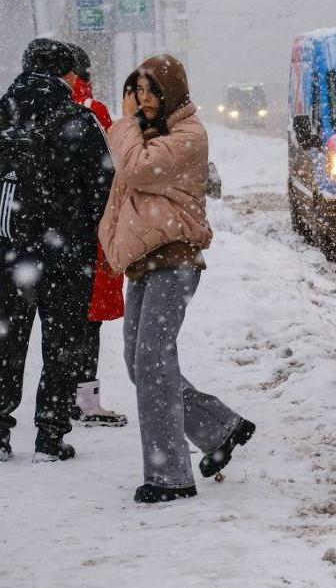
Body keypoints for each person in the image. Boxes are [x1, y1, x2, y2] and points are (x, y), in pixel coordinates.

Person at [99, 54, 255, 503]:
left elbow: (133, 169)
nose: (144, 99)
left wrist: (125, 123)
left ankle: (170, 477)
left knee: (152, 359)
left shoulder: (188, 136)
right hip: (145, 261)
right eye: (138, 90)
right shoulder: (149, 136)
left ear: (171, 92)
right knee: (139, 361)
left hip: (175, 261)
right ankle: (218, 427)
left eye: (151, 91)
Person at [0, 38, 114, 463]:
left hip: (7, 252)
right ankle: (50, 436)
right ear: (65, 74)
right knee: (62, 342)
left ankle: (0, 432)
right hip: (65, 255)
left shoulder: (1, 112)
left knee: (6, 342)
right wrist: (78, 227)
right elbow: (105, 187)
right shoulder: (78, 120)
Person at [64, 43, 127, 427]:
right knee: (86, 321)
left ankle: (63, 397)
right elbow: (111, 175)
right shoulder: (93, 112)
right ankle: (85, 399)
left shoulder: (39, 112)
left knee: (66, 321)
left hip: (62, 233)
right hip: (92, 233)